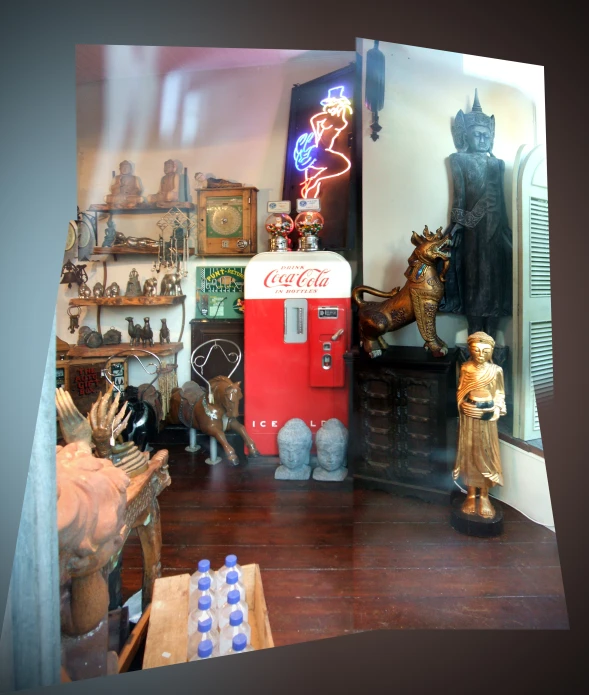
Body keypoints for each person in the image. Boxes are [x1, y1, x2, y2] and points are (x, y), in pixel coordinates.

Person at [440, 90, 512, 339]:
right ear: (465, 135)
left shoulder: (498, 163)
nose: (482, 139)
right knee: (473, 276)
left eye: (486, 135)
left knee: (493, 277)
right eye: (477, 134)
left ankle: (490, 335)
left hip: (495, 227)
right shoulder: (459, 160)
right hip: (471, 229)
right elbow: (459, 196)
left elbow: (501, 200)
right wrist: (457, 225)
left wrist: (504, 230)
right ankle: (474, 332)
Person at [453, 331, 506, 518]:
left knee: (485, 453)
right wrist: (464, 406)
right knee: (468, 453)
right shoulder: (466, 368)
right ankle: (470, 494)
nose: (480, 354)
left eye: (485, 350)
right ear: (470, 350)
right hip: (469, 417)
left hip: (487, 419)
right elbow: (460, 392)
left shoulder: (496, 371)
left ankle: (484, 496)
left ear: (491, 351)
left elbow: (500, 394)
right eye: (476, 350)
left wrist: (495, 411)